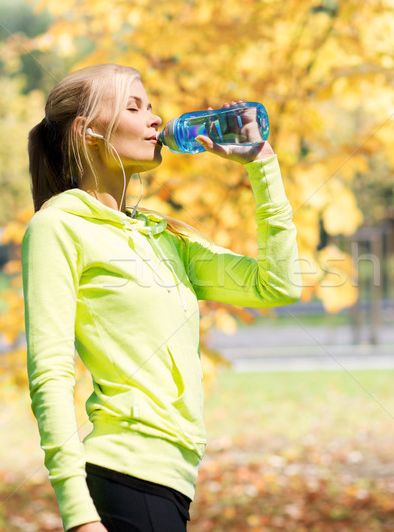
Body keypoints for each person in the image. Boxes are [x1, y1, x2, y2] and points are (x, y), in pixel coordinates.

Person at [22, 63, 301, 532]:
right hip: (125, 478)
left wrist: (262, 166)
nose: (155, 119)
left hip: (172, 482)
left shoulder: (161, 234)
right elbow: (50, 374)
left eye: (151, 106)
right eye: (134, 107)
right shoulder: (58, 227)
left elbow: (278, 284)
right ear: (87, 131)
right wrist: (78, 514)